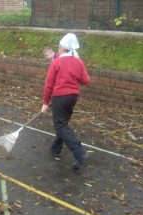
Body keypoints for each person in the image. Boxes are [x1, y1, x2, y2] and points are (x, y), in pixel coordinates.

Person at [41, 33, 90, 170]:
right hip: (72, 97)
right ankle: (56, 148)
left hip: (60, 97)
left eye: (59, 46)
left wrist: (45, 102)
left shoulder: (57, 62)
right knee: (62, 123)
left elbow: (49, 85)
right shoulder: (78, 62)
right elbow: (86, 80)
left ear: (62, 48)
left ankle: (79, 153)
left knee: (60, 125)